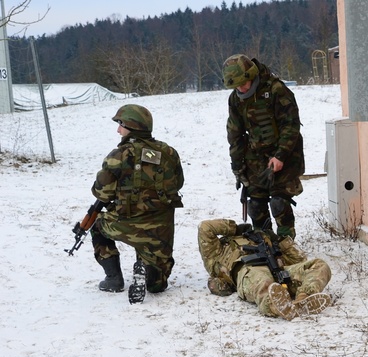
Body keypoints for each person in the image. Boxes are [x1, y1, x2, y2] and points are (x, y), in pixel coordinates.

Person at [90, 104, 184, 302]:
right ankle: (146, 268)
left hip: (126, 225)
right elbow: (178, 183)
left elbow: (101, 192)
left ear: (132, 126)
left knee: (97, 225)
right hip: (161, 230)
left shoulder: (118, 156)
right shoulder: (169, 153)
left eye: (121, 125)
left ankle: (114, 279)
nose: (118, 130)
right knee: (157, 286)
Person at [222, 53, 305, 239]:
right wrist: (237, 165)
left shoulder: (276, 89)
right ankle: (264, 243)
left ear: (252, 75)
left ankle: (286, 244)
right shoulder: (235, 99)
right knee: (255, 205)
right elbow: (235, 134)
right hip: (255, 158)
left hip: (284, 153)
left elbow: (291, 125)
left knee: (279, 203)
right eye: (236, 86)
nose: (241, 89)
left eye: (244, 83)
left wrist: (281, 155)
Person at [197, 218, 333, 320]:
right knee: (263, 282)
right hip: (249, 270)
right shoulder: (216, 252)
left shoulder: (263, 239)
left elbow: (300, 259)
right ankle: (279, 307)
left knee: (319, 265)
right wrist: (235, 229)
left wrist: (280, 241)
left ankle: (304, 298)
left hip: (279, 271)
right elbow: (205, 227)